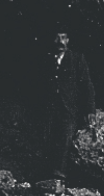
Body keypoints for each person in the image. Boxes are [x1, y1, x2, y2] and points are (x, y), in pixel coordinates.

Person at [39, 29, 95, 185]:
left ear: (68, 40)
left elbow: (87, 86)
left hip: (69, 108)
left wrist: (90, 110)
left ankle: (59, 176)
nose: (60, 42)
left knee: (65, 139)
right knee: (47, 138)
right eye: (56, 38)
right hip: (50, 108)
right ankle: (43, 175)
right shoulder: (47, 59)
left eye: (63, 37)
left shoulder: (77, 59)